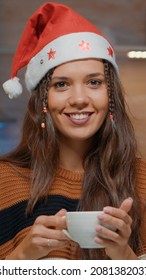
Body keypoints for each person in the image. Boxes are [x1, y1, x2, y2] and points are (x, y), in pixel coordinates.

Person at [0, 2, 146, 260]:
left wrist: (123, 255)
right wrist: (22, 256)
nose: (79, 99)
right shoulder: (5, 180)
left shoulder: (141, 179)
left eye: (94, 82)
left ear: (110, 96)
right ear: (42, 102)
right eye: (62, 84)